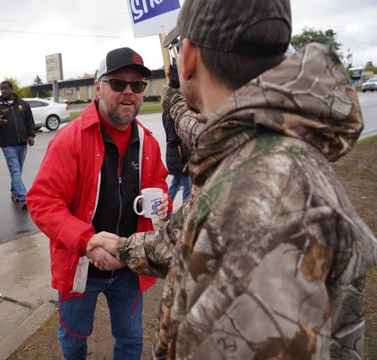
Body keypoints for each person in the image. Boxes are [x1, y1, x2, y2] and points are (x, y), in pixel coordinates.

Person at [86, 0, 377, 358]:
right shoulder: (258, 143)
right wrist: (123, 248)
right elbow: (190, 233)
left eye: (179, 50)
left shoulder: (255, 205)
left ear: (188, 56)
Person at [26, 47, 172, 359]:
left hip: (129, 264)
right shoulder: (71, 139)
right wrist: (86, 241)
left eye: (137, 85)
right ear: (98, 87)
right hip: (80, 266)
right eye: (118, 84)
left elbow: (158, 181)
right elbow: (42, 201)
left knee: (131, 338)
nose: (129, 92)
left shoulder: (148, 141)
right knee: (74, 338)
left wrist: (162, 201)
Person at [0, 81, 35, 209]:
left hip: (22, 143)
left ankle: (14, 191)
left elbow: (29, 121)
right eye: (1, 89)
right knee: (15, 169)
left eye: (5, 88)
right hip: (8, 144)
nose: (3, 91)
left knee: (17, 171)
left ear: (12, 89)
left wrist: (31, 135)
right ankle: (23, 197)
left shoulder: (23, 104)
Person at [162, 63, 192, 205]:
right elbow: (177, 134)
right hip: (180, 152)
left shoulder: (166, 107)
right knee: (187, 185)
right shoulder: (177, 107)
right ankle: (184, 214)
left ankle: (166, 211)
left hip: (173, 151)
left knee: (176, 183)